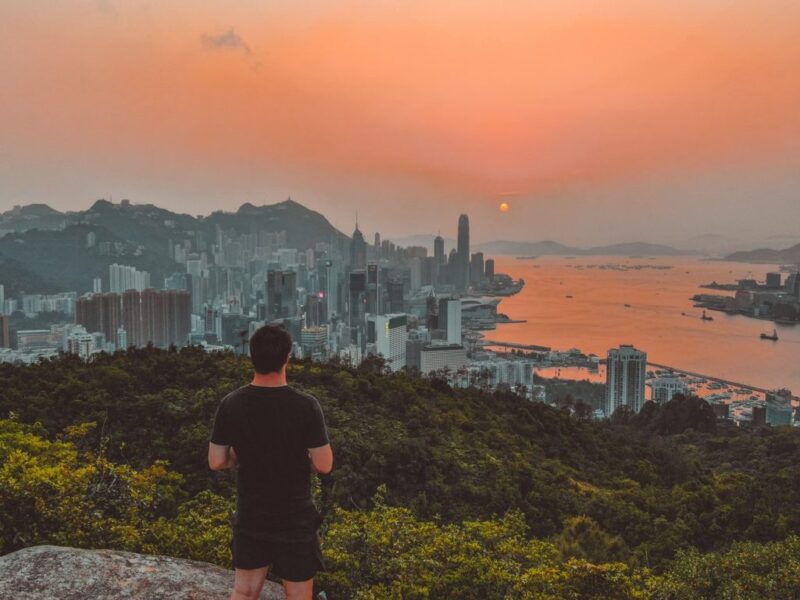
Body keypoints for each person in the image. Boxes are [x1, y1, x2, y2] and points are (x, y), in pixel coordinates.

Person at [208, 324, 333, 600]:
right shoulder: (306, 406)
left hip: (252, 515)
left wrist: (241, 455)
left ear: (252, 356)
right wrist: (299, 459)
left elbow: (216, 461)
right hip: (294, 518)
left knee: (244, 591)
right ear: (287, 357)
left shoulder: (231, 404)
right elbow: (324, 464)